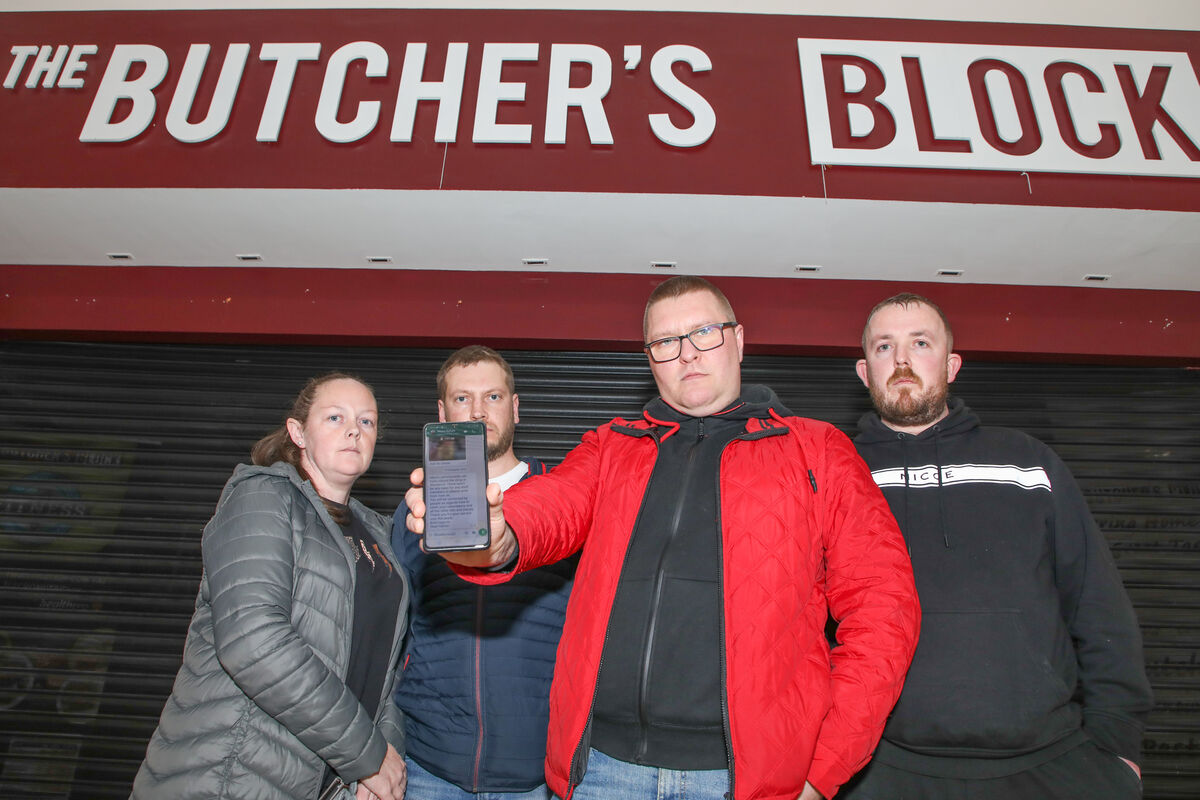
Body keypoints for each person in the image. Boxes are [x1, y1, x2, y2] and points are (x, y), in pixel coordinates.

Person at [405, 277, 921, 800]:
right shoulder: (612, 445)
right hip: (604, 772)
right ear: (650, 359)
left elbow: (885, 611)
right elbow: (551, 503)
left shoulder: (818, 450)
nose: (687, 355)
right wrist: (498, 534)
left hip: (744, 780)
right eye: (666, 342)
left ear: (739, 340)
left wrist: (822, 769)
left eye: (704, 333)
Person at [843, 293, 1154, 800]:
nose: (901, 360)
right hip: (879, 768)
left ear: (951, 364)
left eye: (920, 343)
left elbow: (1098, 608)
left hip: (1047, 761)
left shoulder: (1027, 463)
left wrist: (1118, 746)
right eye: (884, 347)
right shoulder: (838, 472)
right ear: (864, 371)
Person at [132, 373, 410, 800]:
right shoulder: (263, 495)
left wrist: (385, 755)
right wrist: (367, 754)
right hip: (234, 772)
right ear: (297, 432)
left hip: (327, 780)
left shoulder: (379, 533)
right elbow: (253, 639)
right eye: (335, 417)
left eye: (367, 421)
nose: (354, 429)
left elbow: (387, 666)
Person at [392, 346, 574, 799]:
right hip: (428, 764)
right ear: (441, 411)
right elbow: (396, 627)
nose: (476, 411)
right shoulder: (416, 509)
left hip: (534, 769)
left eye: (492, 397)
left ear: (515, 407)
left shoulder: (563, 499)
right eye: (461, 399)